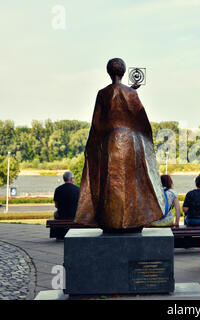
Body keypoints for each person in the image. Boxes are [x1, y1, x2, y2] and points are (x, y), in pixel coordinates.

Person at [74, 58, 165, 232]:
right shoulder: (131, 93)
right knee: (133, 182)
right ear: (123, 72)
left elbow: (97, 122)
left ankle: (110, 221)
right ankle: (133, 220)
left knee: (110, 182)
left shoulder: (102, 93)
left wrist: (93, 144)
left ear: (109, 72)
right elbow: (140, 119)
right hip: (131, 142)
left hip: (110, 142)